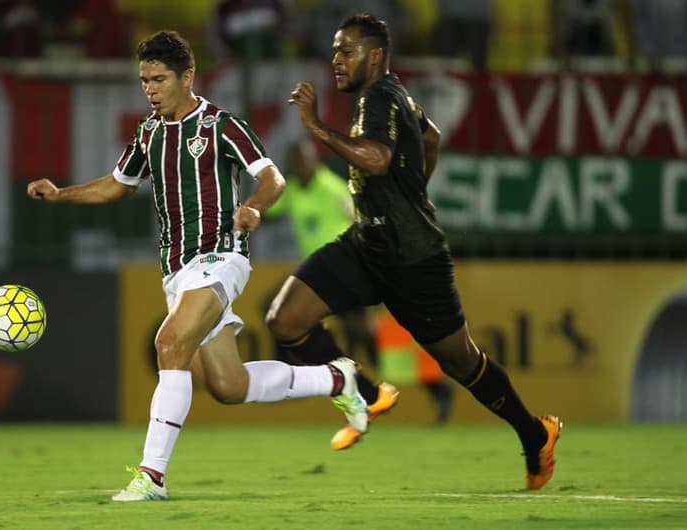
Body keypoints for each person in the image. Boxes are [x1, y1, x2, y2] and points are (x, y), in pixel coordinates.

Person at [27, 30, 368, 501]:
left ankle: (152, 476)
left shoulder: (221, 126)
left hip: (221, 256)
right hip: (178, 269)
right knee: (229, 385)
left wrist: (253, 208)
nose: (150, 88)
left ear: (187, 76)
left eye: (159, 79)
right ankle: (335, 377)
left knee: (169, 342)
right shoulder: (148, 131)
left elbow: (273, 177)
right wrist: (60, 194)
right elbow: (119, 185)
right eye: (144, 80)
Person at [268, 13, 561, 489]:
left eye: (347, 50)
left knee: (461, 362)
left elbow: (378, 159)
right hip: (368, 242)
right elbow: (432, 137)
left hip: (414, 258)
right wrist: (414, 191)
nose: (336, 60)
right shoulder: (394, 95)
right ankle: (368, 394)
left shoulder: (380, 96)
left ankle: (535, 435)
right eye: (335, 50)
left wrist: (316, 127)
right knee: (286, 320)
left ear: (376, 54)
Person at [264, 138, 401, 450]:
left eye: (303, 160)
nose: (299, 167)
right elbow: (271, 210)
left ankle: (422, 389)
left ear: (314, 161)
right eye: (295, 162)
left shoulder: (333, 188)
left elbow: (359, 220)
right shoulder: (295, 190)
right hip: (314, 280)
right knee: (279, 314)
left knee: (367, 336)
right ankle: (355, 387)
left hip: (342, 275)